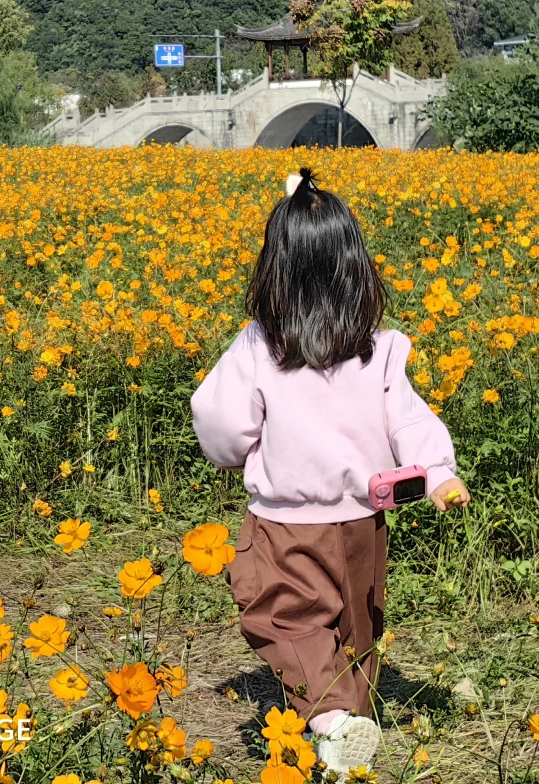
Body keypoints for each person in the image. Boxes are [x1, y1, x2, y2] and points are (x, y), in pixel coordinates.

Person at [191, 168, 470, 775]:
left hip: (286, 523)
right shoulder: (380, 349)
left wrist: (234, 451)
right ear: (355, 269)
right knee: (356, 624)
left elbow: (217, 421)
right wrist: (439, 472)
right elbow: (411, 422)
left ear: (275, 270)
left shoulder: (260, 347)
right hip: (364, 524)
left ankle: (333, 723)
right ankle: (350, 727)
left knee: (283, 618)